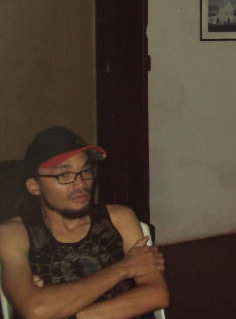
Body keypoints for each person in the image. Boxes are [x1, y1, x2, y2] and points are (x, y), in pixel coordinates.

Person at [0, 126, 169, 319]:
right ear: (34, 186)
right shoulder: (14, 233)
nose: (80, 183)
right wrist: (123, 268)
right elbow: (35, 310)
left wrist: (64, 312)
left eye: (86, 171)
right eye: (64, 175)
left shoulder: (118, 218)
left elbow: (158, 295)